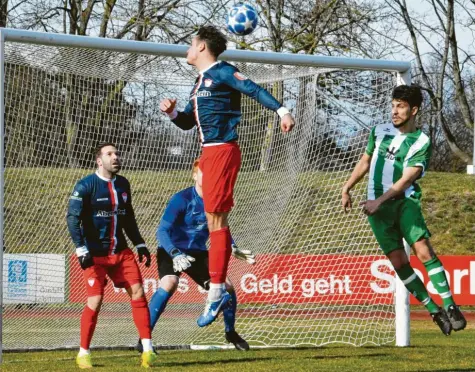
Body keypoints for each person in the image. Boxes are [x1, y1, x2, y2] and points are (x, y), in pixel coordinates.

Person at [160, 25, 295, 327]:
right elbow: (187, 123)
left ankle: (216, 292)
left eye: (190, 43)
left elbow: (253, 89)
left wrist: (282, 110)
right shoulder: (199, 82)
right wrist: (171, 113)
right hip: (209, 152)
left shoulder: (222, 71)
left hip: (222, 150)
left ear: (202, 47)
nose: (187, 49)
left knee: (216, 221)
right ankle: (216, 290)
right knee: (213, 221)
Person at [341, 85, 466, 336]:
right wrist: (347, 187)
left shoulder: (421, 141)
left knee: (422, 250)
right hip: (377, 209)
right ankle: (433, 309)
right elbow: (365, 160)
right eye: (393, 105)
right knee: (398, 262)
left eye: (400, 106)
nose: (394, 111)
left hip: (404, 202)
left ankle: (450, 305)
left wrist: (380, 201)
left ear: (414, 110)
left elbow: (407, 179)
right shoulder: (379, 132)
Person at [136, 159, 254, 352]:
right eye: (203, 172)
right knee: (169, 283)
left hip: (198, 253)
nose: (207, 176)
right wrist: (174, 253)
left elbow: (221, 226)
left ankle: (230, 332)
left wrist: (232, 246)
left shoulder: (216, 200)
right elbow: (162, 231)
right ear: (195, 175)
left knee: (228, 287)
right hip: (170, 250)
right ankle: (144, 339)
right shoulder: (181, 199)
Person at [67, 142, 158, 369]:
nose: (115, 157)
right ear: (99, 161)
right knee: (95, 301)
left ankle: (148, 350)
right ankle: (83, 353)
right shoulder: (85, 186)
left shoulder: (124, 184)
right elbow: (72, 219)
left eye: (117, 153)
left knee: (138, 294)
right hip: (94, 255)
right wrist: (81, 248)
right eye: (110, 154)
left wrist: (140, 244)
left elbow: (128, 218)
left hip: (121, 253)